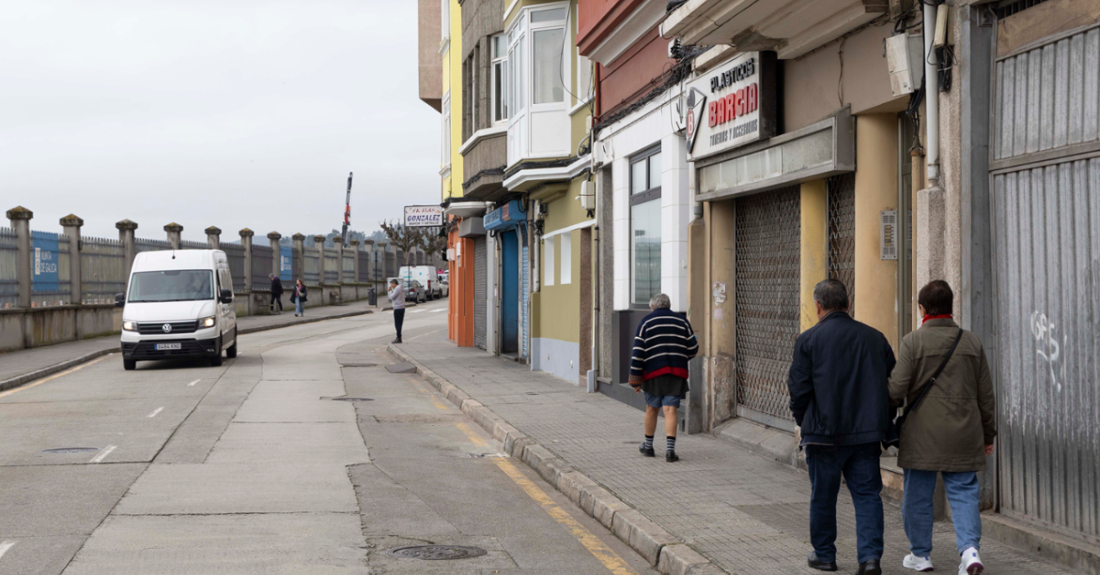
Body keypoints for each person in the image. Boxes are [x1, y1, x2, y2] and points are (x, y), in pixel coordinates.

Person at [788, 279, 895, 575]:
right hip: (866, 436)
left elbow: (798, 390)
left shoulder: (808, 340)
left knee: (823, 496)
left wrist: (804, 421)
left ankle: (825, 556)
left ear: (818, 306)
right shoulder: (875, 338)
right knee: (868, 496)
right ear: (848, 305)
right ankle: (870, 559)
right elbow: (892, 386)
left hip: (823, 435)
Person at [888, 280, 995, 575]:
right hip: (965, 433)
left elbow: (896, 389)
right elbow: (986, 395)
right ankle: (970, 552)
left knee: (917, 494)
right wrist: (988, 434)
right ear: (951, 308)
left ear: (922, 309)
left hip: (921, 435)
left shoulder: (912, 342)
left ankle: (921, 555)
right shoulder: (971, 341)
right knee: (963, 492)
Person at [628, 293, 698, 463]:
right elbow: (693, 348)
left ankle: (649, 446)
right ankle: (670, 452)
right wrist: (680, 357)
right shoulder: (682, 321)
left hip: (653, 373)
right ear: (669, 305)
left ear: (652, 306)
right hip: (676, 373)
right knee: (670, 410)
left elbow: (638, 352)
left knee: (652, 408)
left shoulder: (646, 322)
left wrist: (635, 379)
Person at [388, 279, 405, 344]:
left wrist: (390, 291)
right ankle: (399, 337)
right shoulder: (401, 288)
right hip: (402, 307)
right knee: (400, 323)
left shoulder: (397, 288)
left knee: (397, 324)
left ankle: (398, 338)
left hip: (397, 308)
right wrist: (392, 291)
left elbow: (392, 297)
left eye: (392, 284)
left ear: (394, 283)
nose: (391, 286)